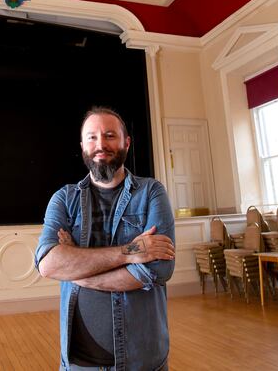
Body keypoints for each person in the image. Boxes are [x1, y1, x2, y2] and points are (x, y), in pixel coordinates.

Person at [35, 107, 176, 371]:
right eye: (92, 137)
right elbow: (48, 264)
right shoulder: (64, 199)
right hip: (79, 361)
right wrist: (130, 252)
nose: (101, 144)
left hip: (142, 359)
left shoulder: (152, 193)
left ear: (126, 142)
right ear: (82, 146)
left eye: (110, 135)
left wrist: (76, 270)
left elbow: (159, 268)